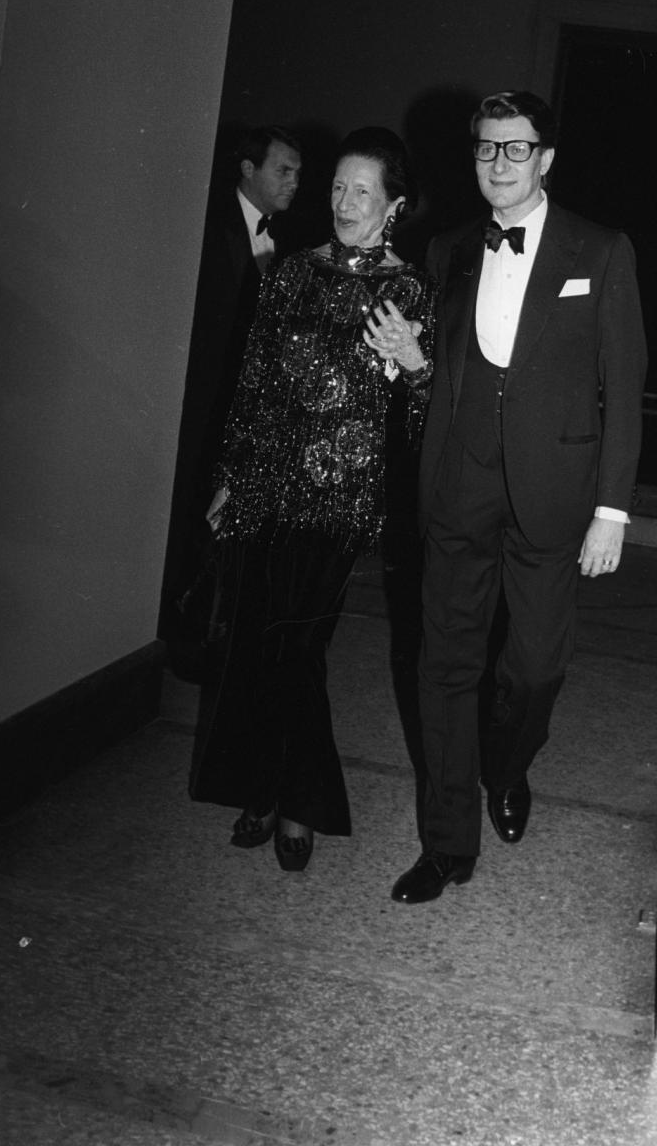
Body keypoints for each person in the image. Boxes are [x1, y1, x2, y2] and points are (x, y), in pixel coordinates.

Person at [390, 90, 647, 904]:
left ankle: (507, 767)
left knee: (534, 669)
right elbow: (453, 369)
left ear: (546, 159)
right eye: (484, 149)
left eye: (514, 148)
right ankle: (446, 844)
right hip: (458, 484)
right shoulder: (448, 249)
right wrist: (411, 361)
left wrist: (612, 508)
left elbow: (625, 387)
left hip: (554, 492)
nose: (497, 164)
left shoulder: (601, 251)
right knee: (446, 666)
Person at [190, 127, 435, 872]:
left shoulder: (408, 290)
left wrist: (415, 366)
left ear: (393, 205)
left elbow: (424, 421)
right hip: (269, 482)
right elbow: (254, 380)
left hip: (343, 498)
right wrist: (232, 473)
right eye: (337, 186)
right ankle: (272, 788)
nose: (343, 202)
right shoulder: (291, 272)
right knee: (264, 645)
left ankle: (296, 801)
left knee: (299, 644)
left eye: (363, 191)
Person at [160, 126, 303, 657]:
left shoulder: (290, 239)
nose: (294, 183)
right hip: (202, 403)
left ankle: (214, 632)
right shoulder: (206, 226)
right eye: (283, 171)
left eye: (298, 173)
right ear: (248, 170)